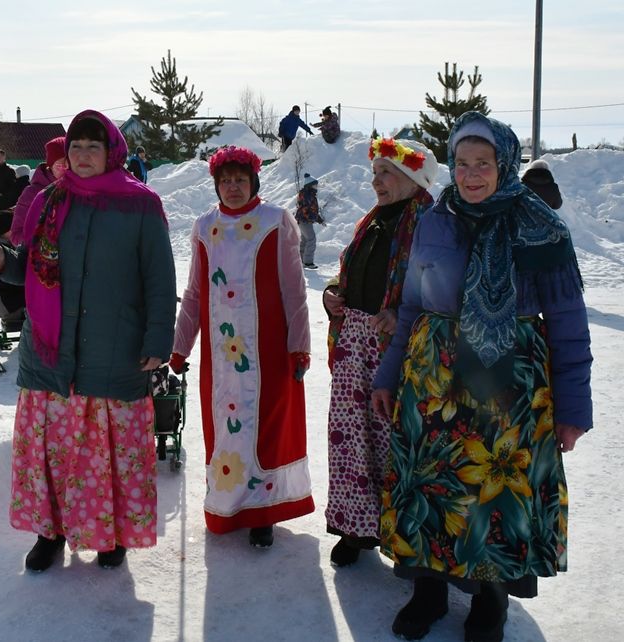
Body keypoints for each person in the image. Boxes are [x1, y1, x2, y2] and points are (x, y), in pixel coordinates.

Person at [370, 112, 592, 641]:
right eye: (463, 163)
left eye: (483, 163)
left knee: (496, 496)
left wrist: (574, 408)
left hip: (508, 386)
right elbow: (410, 307)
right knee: (429, 487)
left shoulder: (542, 227)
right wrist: (387, 374)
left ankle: (490, 600)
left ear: (505, 164)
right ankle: (427, 591)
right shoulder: (435, 219)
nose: (471, 175)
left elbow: (567, 323)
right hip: (431, 381)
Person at [0, 109, 176, 572]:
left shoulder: (141, 205)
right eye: (76, 147)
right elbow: (31, 265)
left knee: (107, 452)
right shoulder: (49, 200)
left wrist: (159, 339)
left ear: (111, 153)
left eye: (93, 147)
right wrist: (0, 257)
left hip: (113, 350)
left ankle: (110, 535)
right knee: (53, 452)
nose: (83, 156)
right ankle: (51, 532)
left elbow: (160, 279)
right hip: (51, 353)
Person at [169, 145, 314, 549]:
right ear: (216, 185)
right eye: (225, 181)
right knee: (225, 431)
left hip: (267, 347)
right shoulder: (204, 226)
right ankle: (229, 506)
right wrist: (181, 347)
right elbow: (195, 293)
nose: (233, 187)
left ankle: (262, 512)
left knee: (264, 425)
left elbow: (294, 289)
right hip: (220, 353)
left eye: (240, 180)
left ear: (254, 182)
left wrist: (298, 344)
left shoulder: (275, 221)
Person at [322, 137, 438, 569]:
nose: (377, 182)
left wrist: (403, 312)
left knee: (398, 444)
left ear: (414, 177)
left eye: (386, 173)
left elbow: (442, 286)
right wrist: (333, 294)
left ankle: (404, 538)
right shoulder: (371, 221)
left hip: (400, 349)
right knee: (353, 441)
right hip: (355, 345)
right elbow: (348, 274)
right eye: (374, 174)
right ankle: (356, 527)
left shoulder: (430, 222)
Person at [10, 136, 66, 245]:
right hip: (41, 258)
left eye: (70, 166)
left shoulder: (78, 190)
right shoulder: (32, 193)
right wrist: (44, 240)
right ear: (50, 166)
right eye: (60, 166)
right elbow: (16, 236)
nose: (66, 171)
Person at [295, 173, 325, 268]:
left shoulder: (307, 194)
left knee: (304, 240)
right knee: (311, 239)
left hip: (303, 220)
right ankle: (308, 262)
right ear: (310, 185)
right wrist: (313, 218)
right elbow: (308, 209)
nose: (316, 187)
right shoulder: (308, 195)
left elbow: (312, 211)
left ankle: (301, 260)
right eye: (315, 185)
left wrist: (319, 219)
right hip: (304, 221)